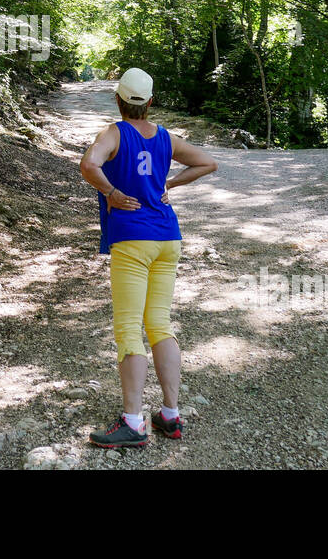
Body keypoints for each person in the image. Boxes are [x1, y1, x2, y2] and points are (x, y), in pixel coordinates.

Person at [78, 67, 219, 448]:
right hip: (168, 237)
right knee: (159, 323)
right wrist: (167, 184)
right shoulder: (165, 138)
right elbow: (208, 163)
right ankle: (170, 416)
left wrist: (111, 192)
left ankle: (134, 423)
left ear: (118, 100)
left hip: (131, 239)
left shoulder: (113, 132)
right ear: (150, 102)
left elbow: (89, 165)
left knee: (128, 329)